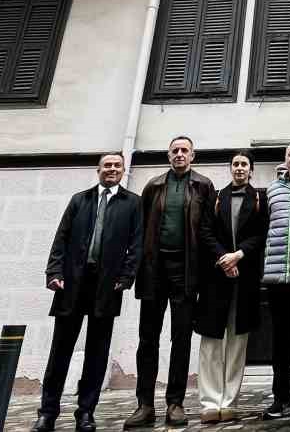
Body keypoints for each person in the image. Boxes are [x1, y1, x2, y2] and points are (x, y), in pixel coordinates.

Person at [35, 153, 143, 432]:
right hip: (72, 283)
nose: (112, 169)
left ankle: (86, 412)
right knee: (60, 351)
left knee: (97, 353)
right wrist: (54, 273)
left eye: (117, 166)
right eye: (107, 165)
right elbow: (61, 237)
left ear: (122, 170)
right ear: (98, 170)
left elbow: (137, 244)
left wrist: (126, 277)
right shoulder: (79, 200)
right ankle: (47, 412)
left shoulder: (132, 203)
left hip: (107, 286)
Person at [127, 137, 216, 429]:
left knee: (181, 338)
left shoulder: (203, 185)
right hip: (154, 269)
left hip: (186, 271)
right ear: (169, 155)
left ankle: (175, 403)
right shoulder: (153, 186)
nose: (179, 154)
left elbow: (208, 231)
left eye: (184, 151)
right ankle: (144, 405)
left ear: (193, 155)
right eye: (175, 150)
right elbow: (140, 232)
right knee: (147, 339)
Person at [196, 151, 268, 423]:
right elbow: (205, 231)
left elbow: (261, 234)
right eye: (235, 164)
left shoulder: (260, 199)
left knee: (237, 344)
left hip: (245, 277)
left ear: (251, 170)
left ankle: (229, 402)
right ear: (230, 168)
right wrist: (224, 258)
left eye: (244, 165)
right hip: (216, 278)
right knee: (212, 342)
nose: (240, 168)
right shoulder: (216, 197)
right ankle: (210, 402)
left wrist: (239, 255)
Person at [258, 142, 290, 421]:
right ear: (285, 159)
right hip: (277, 275)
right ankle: (281, 399)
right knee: (280, 341)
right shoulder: (272, 191)